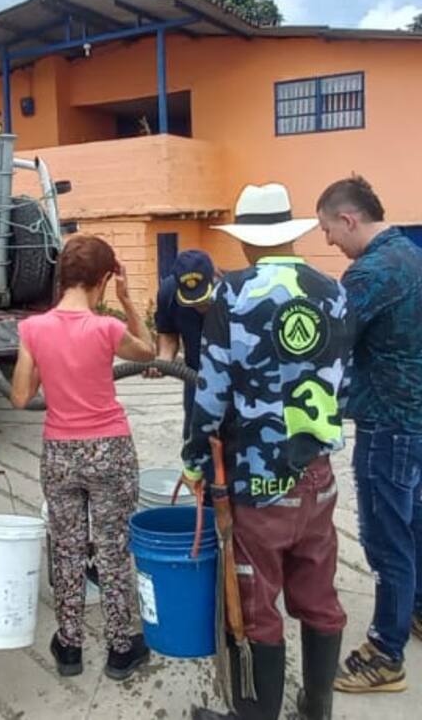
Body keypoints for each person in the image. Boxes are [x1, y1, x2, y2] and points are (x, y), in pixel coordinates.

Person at [184, 183, 352, 720]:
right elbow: (340, 384)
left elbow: (210, 392)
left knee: (255, 604)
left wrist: (194, 457)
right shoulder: (332, 289)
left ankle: (255, 716)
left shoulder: (232, 294)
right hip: (317, 474)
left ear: (248, 241)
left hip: (256, 478)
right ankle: (316, 707)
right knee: (318, 591)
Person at [11, 235, 156, 681]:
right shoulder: (107, 329)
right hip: (109, 448)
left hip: (60, 452)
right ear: (104, 278)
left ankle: (69, 646)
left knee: (68, 549)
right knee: (113, 549)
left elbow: (20, 396)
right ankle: (119, 648)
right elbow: (148, 352)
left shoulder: (33, 329)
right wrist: (129, 302)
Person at [317, 175, 422, 694]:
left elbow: (323, 334)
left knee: (387, 540)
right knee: (415, 524)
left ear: (349, 219)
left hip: (389, 424)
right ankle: (417, 610)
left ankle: (385, 652)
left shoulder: (374, 271)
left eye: (329, 230)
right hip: (416, 420)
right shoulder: (413, 254)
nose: (329, 242)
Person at [149, 250, 217, 440]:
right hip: (194, 375)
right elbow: (168, 334)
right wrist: (163, 360)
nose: (198, 305)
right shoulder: (168, 293)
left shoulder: (233, 295)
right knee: (195, 443)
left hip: (233, 380)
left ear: (213, 278)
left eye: (202, 298)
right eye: (191, 300)